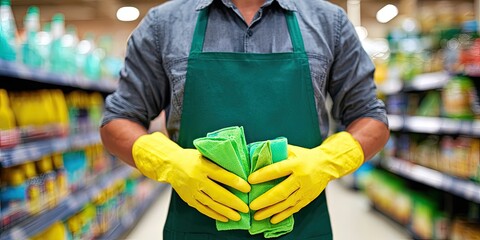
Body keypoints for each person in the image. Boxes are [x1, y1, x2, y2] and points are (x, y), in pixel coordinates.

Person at [100, 0, 390, 239]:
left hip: (300, 227)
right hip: (197, 227)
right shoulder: (163, 25)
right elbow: (117, 121)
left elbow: (370, 117)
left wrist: (325, 162)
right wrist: (170, 163)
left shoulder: (329, 23)